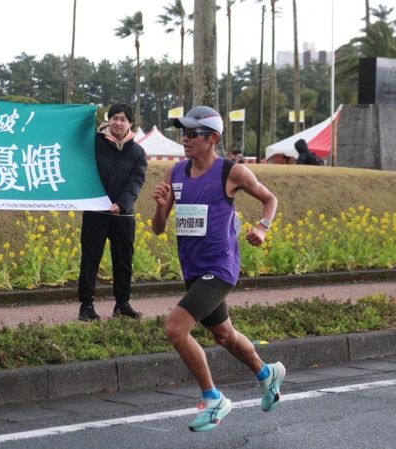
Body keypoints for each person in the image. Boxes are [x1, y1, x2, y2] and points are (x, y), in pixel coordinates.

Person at [151, 105, 284, 432]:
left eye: (193, 134)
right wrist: (159, 207)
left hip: (221, 267)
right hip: (193, 268)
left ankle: (213, 398)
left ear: (213, 138)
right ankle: (267, 374)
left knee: (175, 328)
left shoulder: (231, 172)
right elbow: (158, 228)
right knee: (224, 335)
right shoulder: (175, 174)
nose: (185, 139)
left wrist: (263, 228)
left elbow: (270, 199)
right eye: (183, 133)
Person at [77, 103, 148, 321]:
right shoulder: (93, 144)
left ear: (130, 123)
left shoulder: (137, 152)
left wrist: (122, 203)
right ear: (108, 120)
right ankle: (86, 306)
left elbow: (137, 180)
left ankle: (122, 303)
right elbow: (78, 165)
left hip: (123, 215)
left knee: (123, 259)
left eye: (123, 119)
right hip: (96, 212)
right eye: (114, 118)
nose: (118, 123)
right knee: (90, 258)